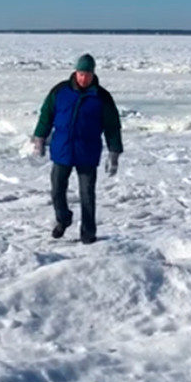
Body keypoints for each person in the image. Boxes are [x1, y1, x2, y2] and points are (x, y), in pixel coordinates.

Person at [32, 53, 123, 244]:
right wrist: (39, 137)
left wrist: (114, 153)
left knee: (87, 195)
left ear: (93, 74)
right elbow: (46, 115)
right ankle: (63, 219)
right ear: (75, 72)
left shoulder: (102, 97)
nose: (84, 78)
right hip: (62, 150)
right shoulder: (60, 91)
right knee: (57, 190)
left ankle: (88, 234)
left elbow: (112, 126)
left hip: (87, 152)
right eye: (81, 73)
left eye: (88, 74)